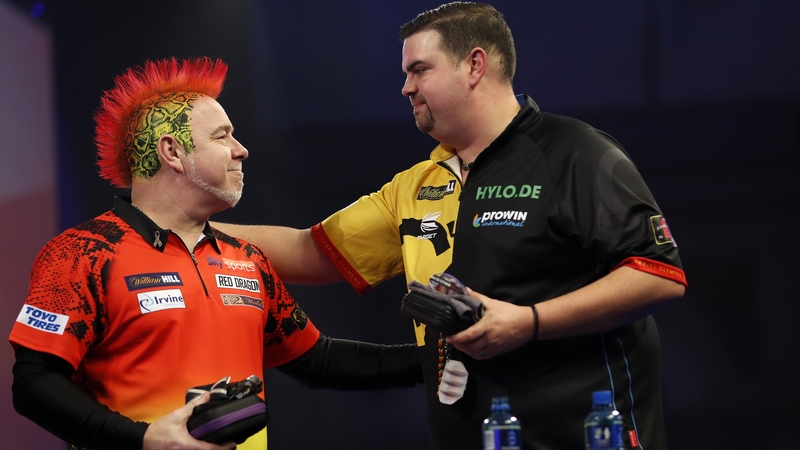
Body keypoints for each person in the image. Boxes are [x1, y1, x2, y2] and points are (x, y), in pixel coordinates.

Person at [214, 2, 688, 449]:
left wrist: (528, 323)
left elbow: (658, 274)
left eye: (419, 70)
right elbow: (307, 251)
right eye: (406, 74)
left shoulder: (574, 151)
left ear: (474, 66)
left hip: (583, 435)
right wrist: (184, 229)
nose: (406, 87)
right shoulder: (416, 185)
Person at [8, 57, 423, 450]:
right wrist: (144, 439)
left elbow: (318, 359)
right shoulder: (83, 253)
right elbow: (34, 383)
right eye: (222, 136)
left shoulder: (247, 259)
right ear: (172, 152)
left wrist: (438, 357)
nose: (241, 149)